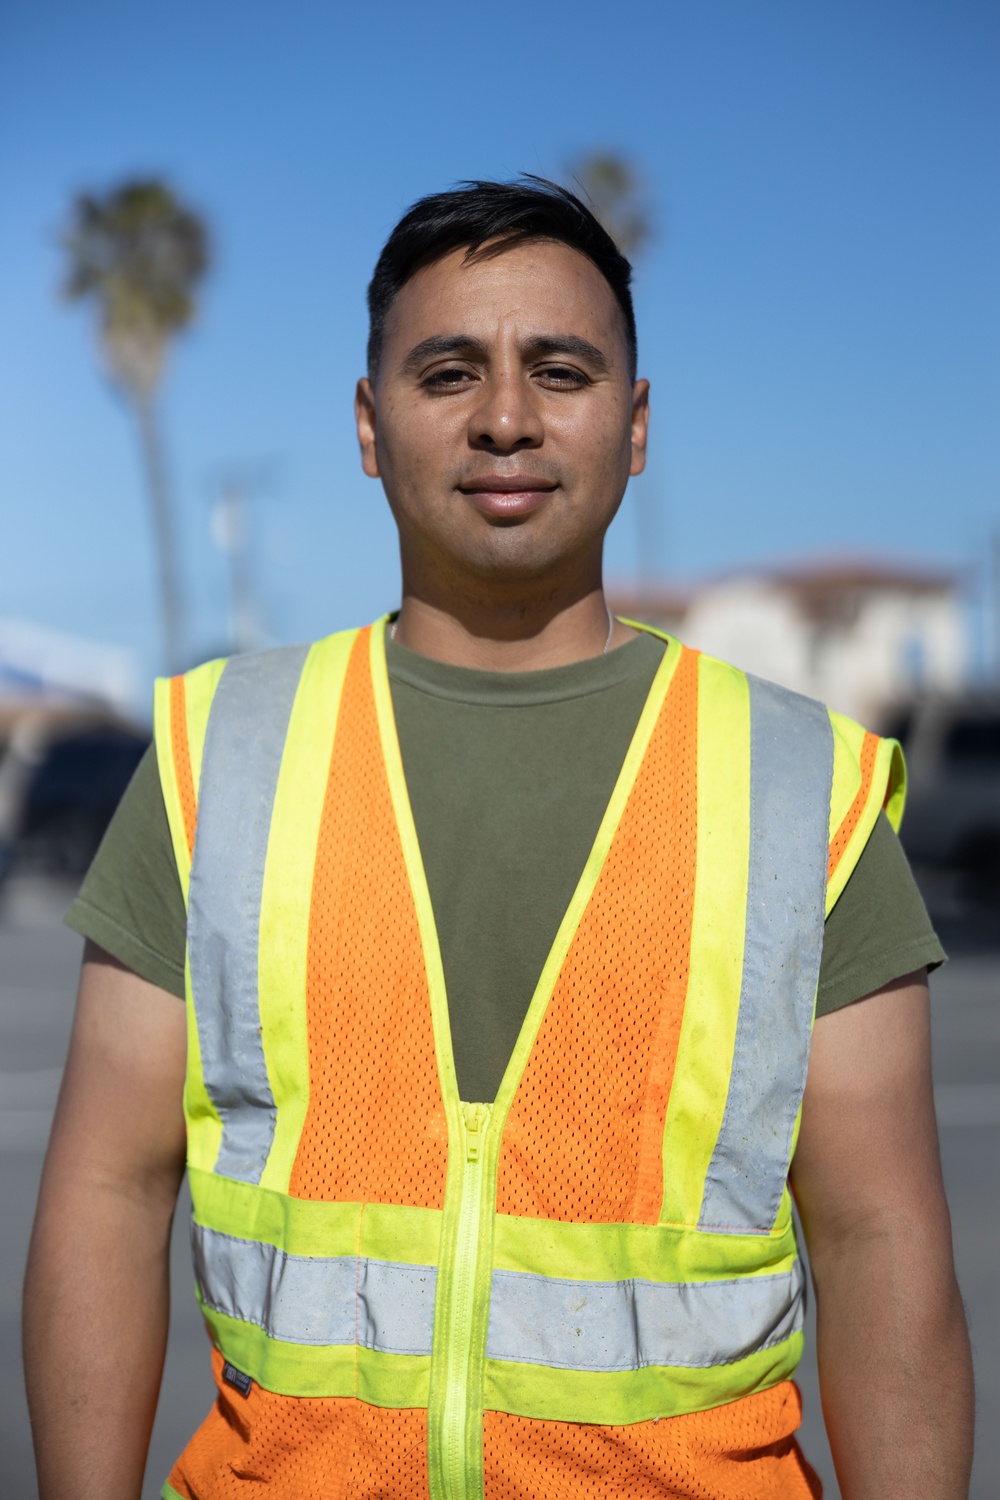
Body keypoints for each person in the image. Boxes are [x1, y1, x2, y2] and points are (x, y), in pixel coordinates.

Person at [24, 177, 973, 1500]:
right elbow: (107, 1193)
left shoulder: (798, 784)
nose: (509, 418)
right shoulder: (215, 757)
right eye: (449, 372)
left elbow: (881, 1240)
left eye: (562, 370)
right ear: (369, 426)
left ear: (635, 428)